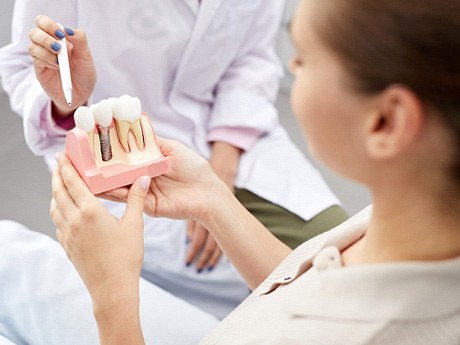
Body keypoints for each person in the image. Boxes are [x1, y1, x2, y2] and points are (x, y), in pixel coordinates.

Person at [49, 0, 460, 343]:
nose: (292, 66)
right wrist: (213, 201)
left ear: (385, 123)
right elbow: (317, 290)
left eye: (304, 59)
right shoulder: (408, 227)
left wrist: (113, 297)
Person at [0, 1, 347, 319]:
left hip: (238, 141)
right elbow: (23, 64)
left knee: (338, 269)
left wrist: (221, 168)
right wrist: (67, 99)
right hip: (117, 154)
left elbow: (252, 58)